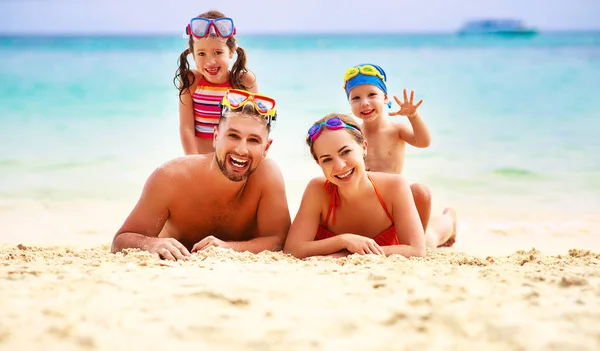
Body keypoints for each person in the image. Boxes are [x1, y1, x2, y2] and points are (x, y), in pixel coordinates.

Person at [112, 89, 290, 261]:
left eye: (253, 140)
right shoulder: (171, 178)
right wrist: (151, 244)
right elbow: (121, 240)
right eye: (233, 136)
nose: (241, 150)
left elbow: (278, 239)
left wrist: (229, 248)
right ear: (215, 136)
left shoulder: (267, 176)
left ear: (266, 148)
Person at [283, 113, 435, 259]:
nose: (340, 166)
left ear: (364, 147)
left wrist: (347, 253)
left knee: (433, 237)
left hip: (414, 234)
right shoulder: (318, 190)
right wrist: (344, 240)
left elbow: (416, 250)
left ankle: (449, 221)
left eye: (346, 152)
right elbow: (293, 248)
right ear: (319, 164)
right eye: (327, 160)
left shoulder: (395, 185)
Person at [343, 63, 457, 247]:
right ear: (350, 104)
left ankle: (448, 220)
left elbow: (423, 142)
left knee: (428, 236)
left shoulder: (396, 129)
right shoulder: (353, 135)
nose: (364, 102)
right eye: (356, 98)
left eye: (372, 95)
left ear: (385, 97)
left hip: (396, 201)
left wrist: (413, 116)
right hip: (370, 206)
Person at [174, 10, 258, 155]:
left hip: (235, 160)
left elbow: (256, 125)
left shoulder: (243, 81)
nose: (210, 61)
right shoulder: (191, 81)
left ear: (231, 51)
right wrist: (193, 162)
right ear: (192, 55)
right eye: (201, 54)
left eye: (218, 52)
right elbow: (186, 127)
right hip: (201, 161)